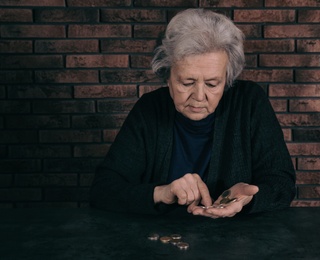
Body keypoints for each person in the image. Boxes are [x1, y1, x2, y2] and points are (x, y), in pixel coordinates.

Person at [90, 8, 296, 218]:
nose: (199, 96)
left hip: (236, 242)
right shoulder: (149, 109)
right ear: (167, 77)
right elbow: (103, 190)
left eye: (212, 84)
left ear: (227, 80)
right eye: (187, 82)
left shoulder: (250, 102)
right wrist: (162, 192)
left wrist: (250, 199)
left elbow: (282, 184)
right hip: (160, 242)